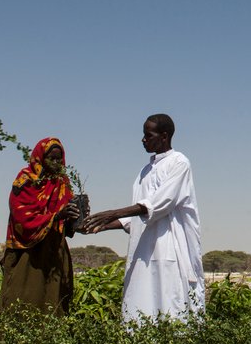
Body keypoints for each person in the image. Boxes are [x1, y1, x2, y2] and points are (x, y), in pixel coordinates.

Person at [82, 114, 204, 322]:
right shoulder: (145, 171)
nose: (143, 140)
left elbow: (160, 203)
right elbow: (135, 217)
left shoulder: (179, 163)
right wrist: (99, 225)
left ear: (164, 136)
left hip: (169, 248)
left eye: (149, 135)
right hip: (143, 250)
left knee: (170, 305)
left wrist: (112, 213)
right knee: (140, 307)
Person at [0, 137, 81, 315]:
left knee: (54, 300)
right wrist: (56, 216)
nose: (56, 162)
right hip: (28, 251)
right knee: (23, 298)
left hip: (54, 249)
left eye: (59, 158)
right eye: (51, 158)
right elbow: (21, 216)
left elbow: (66, 224)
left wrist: (76, 217)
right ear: (40, 158)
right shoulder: (25, 180)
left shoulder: (62, 182)